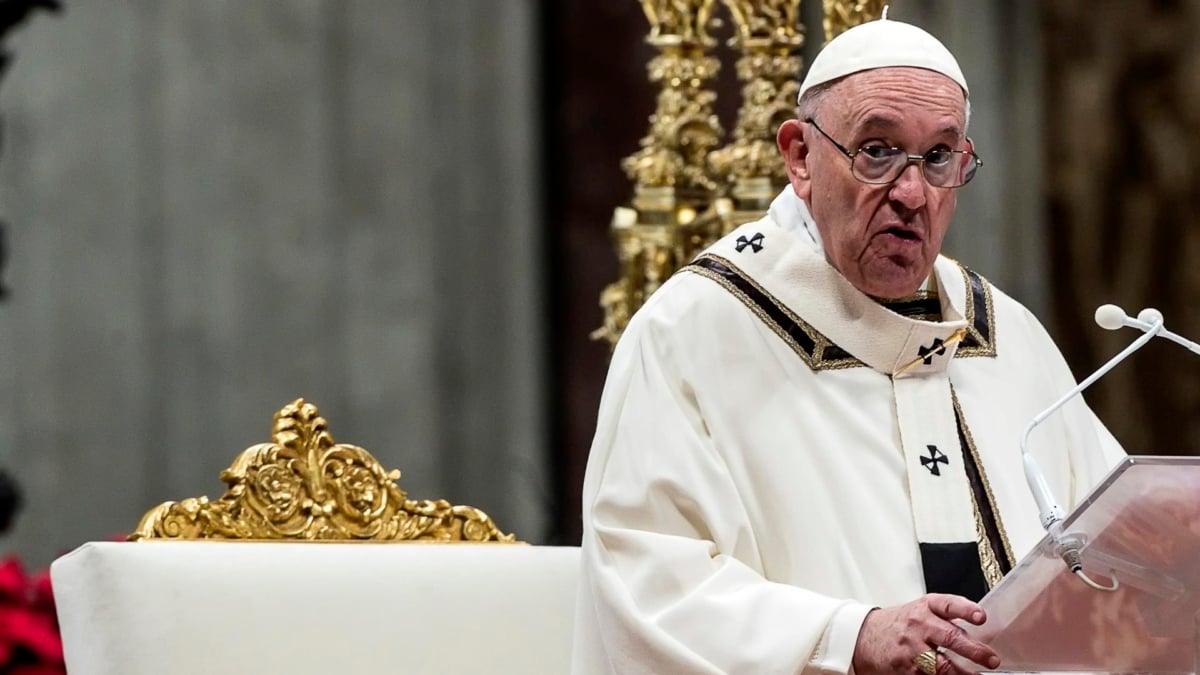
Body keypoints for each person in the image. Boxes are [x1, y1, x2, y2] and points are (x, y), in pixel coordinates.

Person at [571, 14, 1126, 675]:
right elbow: (646, 581)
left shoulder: (1007, 334)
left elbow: (1119, 552)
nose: (912, 193)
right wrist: (850, 635)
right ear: (800, 157)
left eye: (940, 157)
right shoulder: (691, 333)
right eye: (878, 151)